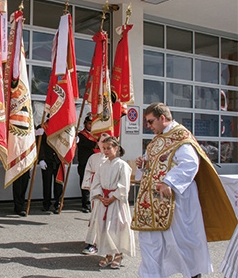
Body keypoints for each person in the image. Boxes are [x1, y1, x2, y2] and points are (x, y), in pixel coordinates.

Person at [133, 103, 236, 278]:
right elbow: (154, 163)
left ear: (162, 118)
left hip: (177, 201)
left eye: (150, 121)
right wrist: (143, 164)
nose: (148, 126)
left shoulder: (181, 137)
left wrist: (169, 182)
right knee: (151, 242)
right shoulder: (157, 140)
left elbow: (190, 163)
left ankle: (193, 274)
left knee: (182, 242)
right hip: (152, 202)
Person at [86, 136, 134, 269]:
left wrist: (113, 197)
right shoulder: (102, 165)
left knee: (116, 227)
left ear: (116, 148)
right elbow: (96, 183)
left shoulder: (122, 165)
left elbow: (124, 185)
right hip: (104, 201)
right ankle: (108, 253)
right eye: (104, 148)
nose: (106, 151)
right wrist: (100, 196)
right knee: (103, 227)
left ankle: (118, 254)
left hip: (116, 202)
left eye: (109, 148)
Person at [80, 134, 110, 256]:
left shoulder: (113, 159)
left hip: (109, 192)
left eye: (106, 141)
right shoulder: (93, 157)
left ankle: (107, 243)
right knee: (96, 216)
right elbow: (87, 172)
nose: (103, 144)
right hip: (96, 191)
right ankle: (93, 242)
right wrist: (89, 186)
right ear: (97, 143)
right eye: (101, 141)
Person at [37, 126, 63, 214]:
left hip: (58, 160)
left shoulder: (62, 126)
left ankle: (58, 204)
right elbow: (39, 144)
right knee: (47, 184)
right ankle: (46, 204)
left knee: (58, 184)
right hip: (47, 160)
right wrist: (41, 159)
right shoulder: (42, 127)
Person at [76, 116, 100, 213]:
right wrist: (97, 144)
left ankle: (95, 202)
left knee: (95, 183)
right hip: (84, 163)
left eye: (92, 124)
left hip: (96, 163)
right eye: (89, 123)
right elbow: (88, 144)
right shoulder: (81, 135)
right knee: (85, 183)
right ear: (85, 124)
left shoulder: (97, 135)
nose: (91, 126)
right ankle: (86, 204)